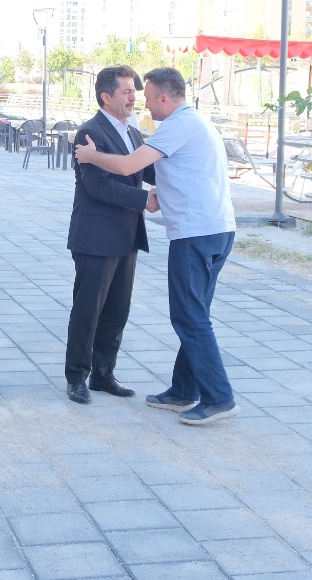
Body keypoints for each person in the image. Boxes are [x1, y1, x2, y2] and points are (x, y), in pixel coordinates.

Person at [75, 67, 238, 425]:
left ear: (165, 98)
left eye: (147, 97)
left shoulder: (177, 125)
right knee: (195, 314)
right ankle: (183, 389)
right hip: (216, 229)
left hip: (195, 233)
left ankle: (219, 397)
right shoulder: (194, 121)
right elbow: (158, 171)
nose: (143, 104)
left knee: (189, 316)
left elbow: (129, 166)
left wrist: (90, 156)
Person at [64, 66, 159, 405]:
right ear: (106, 96)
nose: (134, 96)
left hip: (126, 234)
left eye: (134, 90)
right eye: (126, 91)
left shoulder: (132, 132)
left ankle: (104, 374)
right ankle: (77, 377)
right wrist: (143, 199)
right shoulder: (90, 132)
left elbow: (147, 170)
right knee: (88, 310)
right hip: (96, 236)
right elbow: (97, 185)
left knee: (117, 309)